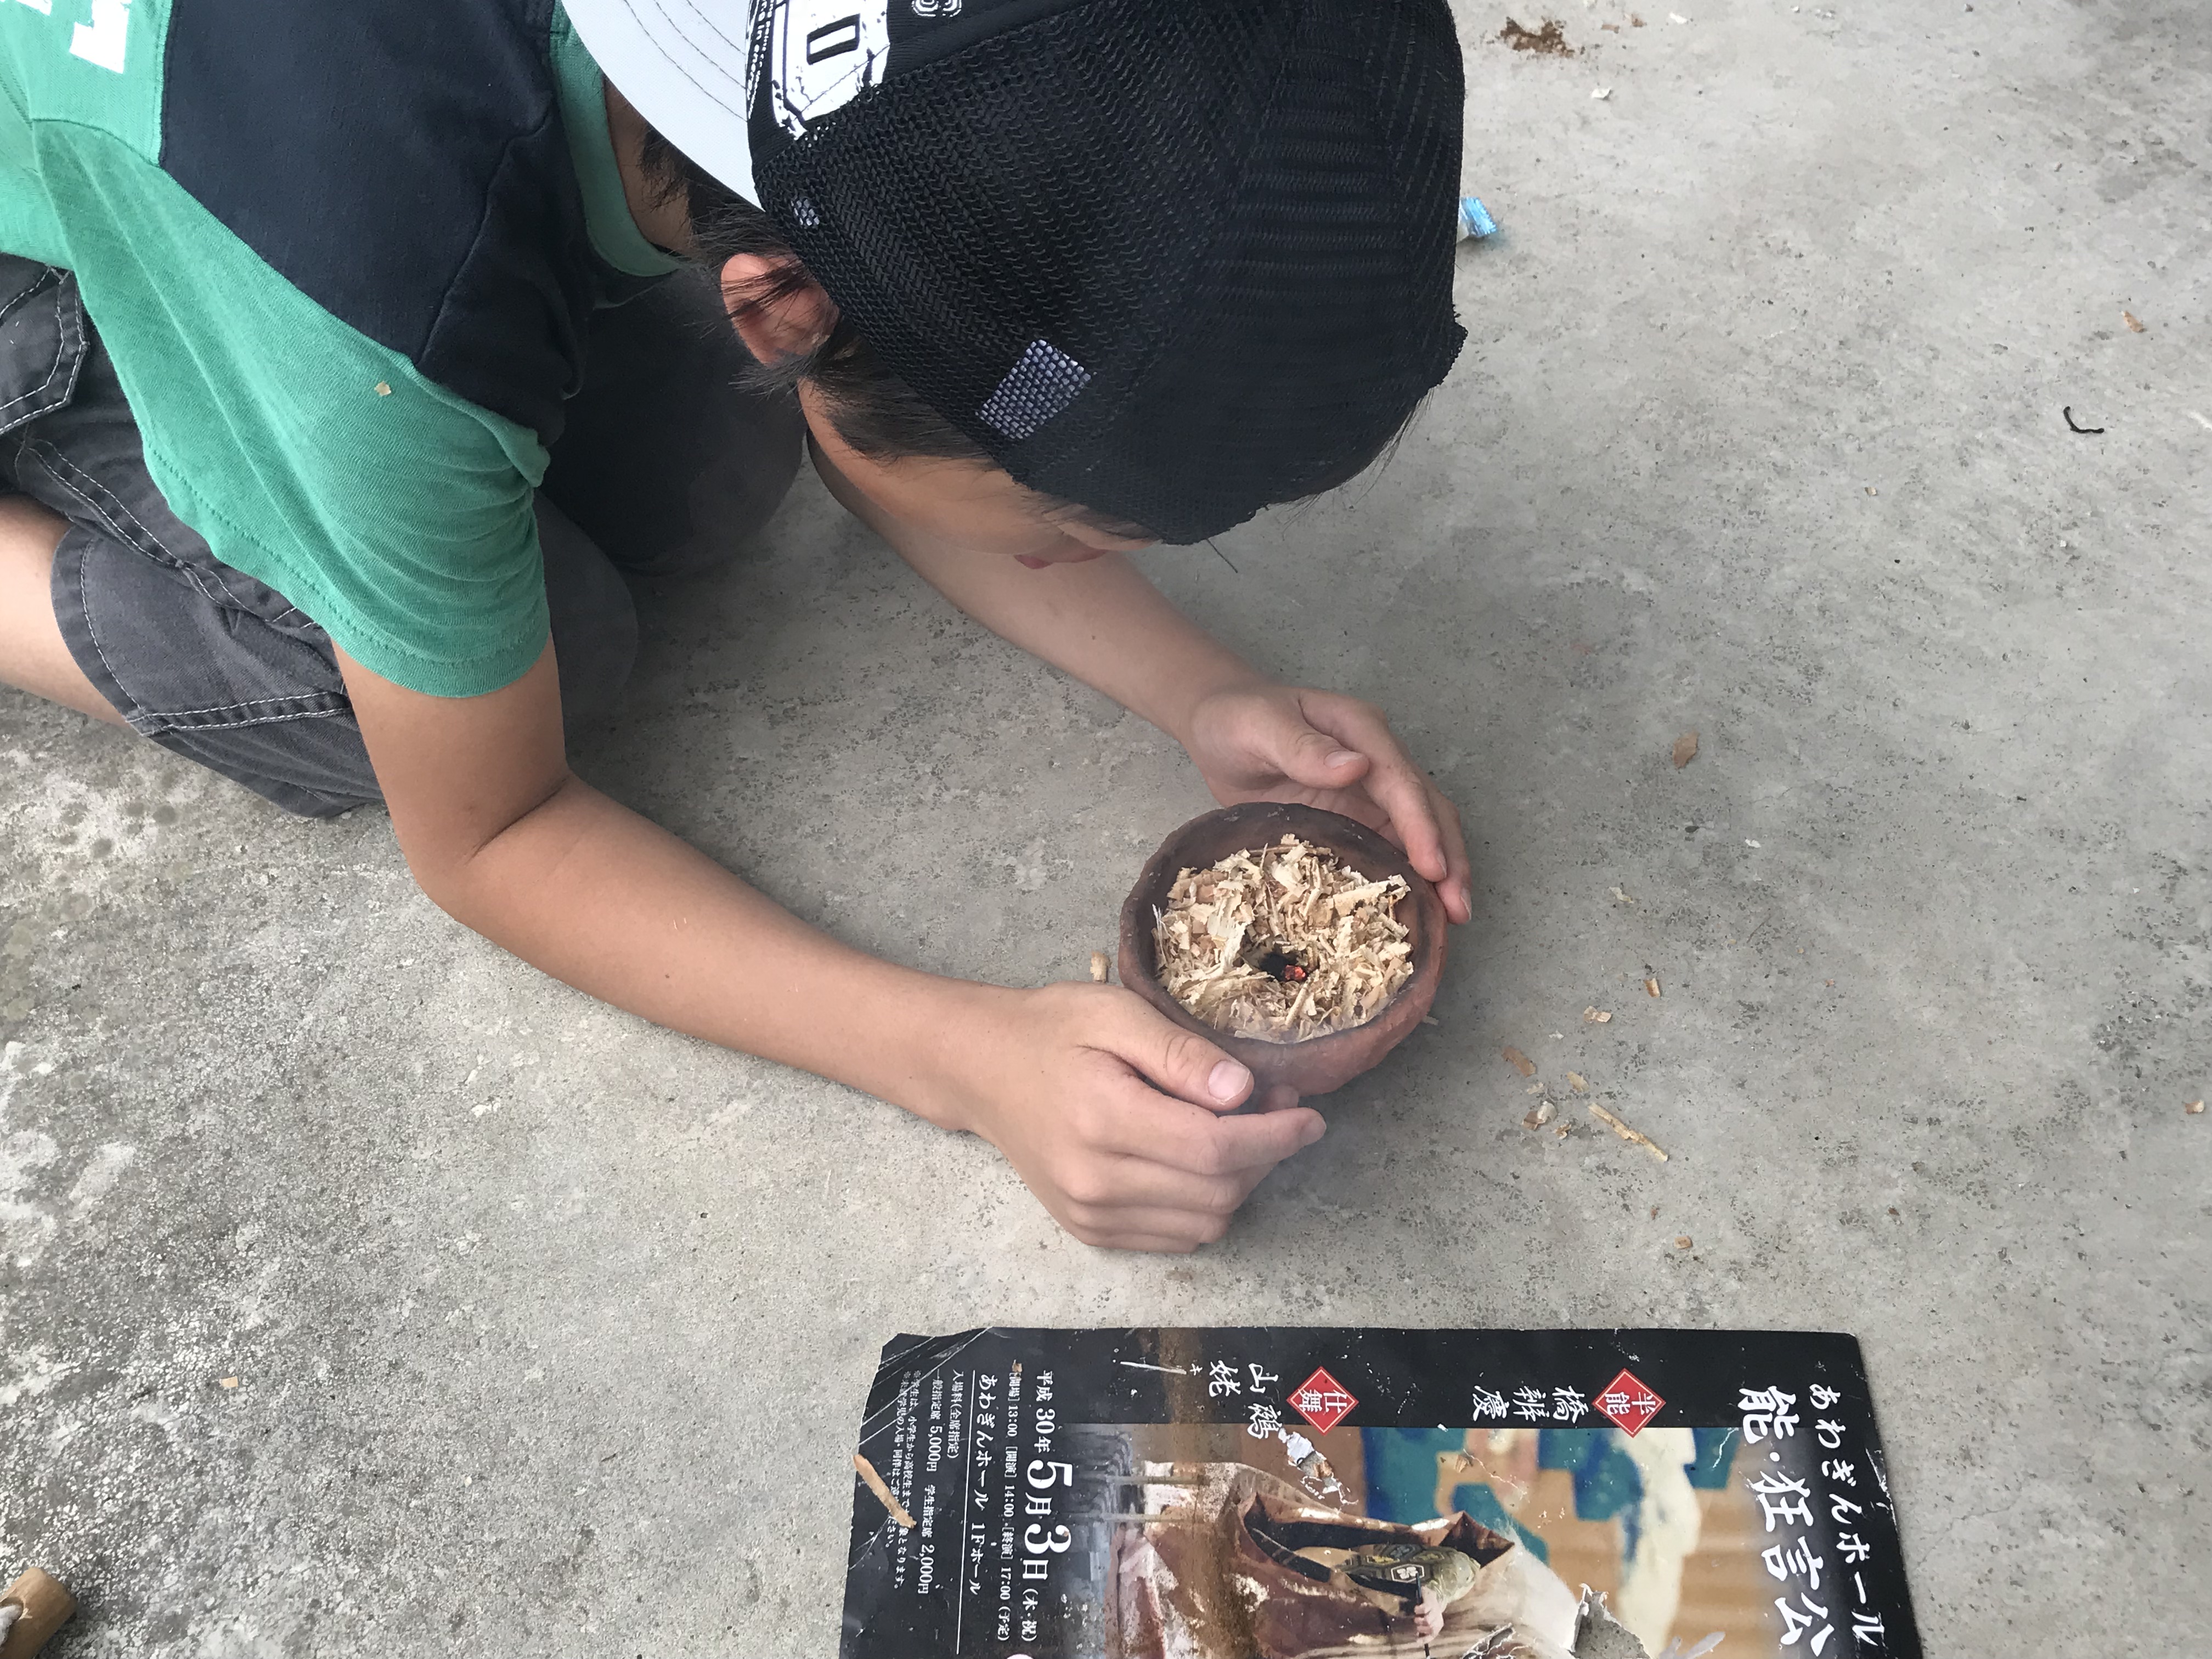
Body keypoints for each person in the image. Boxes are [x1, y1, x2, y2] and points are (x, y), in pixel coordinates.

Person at [0, 0, 1472, 1252]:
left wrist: (1204, 691)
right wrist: (964, 1060)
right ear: (781, 303)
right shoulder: (364, 301)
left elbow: (885, 350)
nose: (1077, 560)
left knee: (708, 467)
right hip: (74, 255)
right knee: (483, 666)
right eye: (1063, 531)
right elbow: (493, 835)